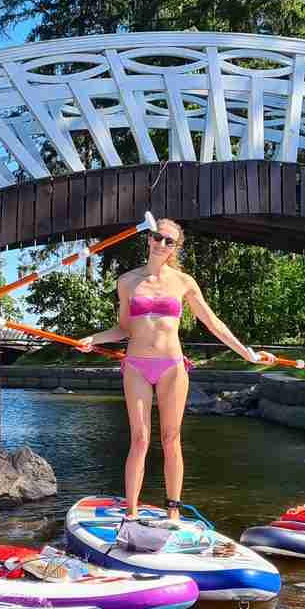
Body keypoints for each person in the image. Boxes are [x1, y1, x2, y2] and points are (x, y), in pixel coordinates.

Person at [78, 218, 259, 521]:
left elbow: (212, 322)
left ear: (177, 247)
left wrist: (247, 353)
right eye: (157, 237)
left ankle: (173, 511)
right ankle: (131, 512)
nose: (161, 244)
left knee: (171, 438)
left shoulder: (184, 282)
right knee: (139, 439)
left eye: (169, 241)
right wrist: (92, 339)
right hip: (135, 365)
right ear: (148, 239)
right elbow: (122, 328)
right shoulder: (127, 281)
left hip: (172, 366)